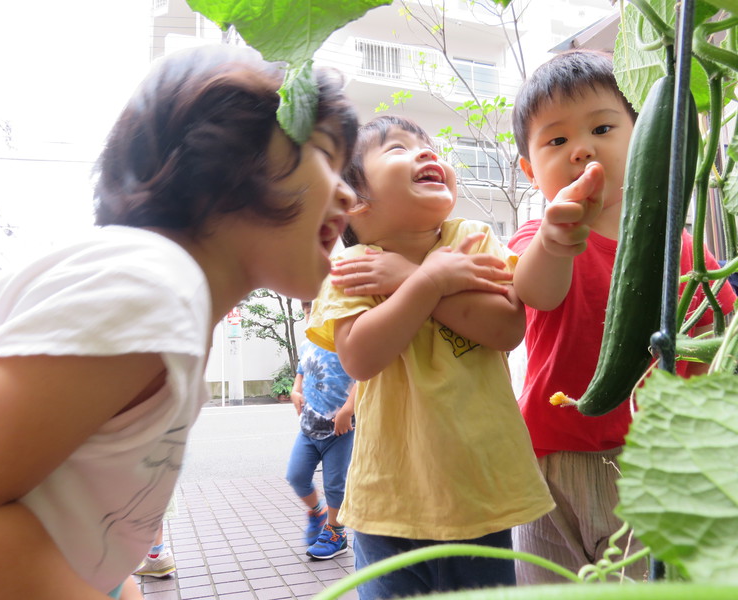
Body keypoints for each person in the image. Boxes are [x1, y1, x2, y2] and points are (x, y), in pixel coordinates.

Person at [0, 44, 358, 600]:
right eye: (327, 156)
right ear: (227, 152)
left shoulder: (170, 304)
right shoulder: (154, 286)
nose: (350, 192)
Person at [508, 49, 736, 584]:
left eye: (604, 127)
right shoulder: (537, 239)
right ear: (528, 168)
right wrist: (556, 240)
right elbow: (534, 292)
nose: (582, 148)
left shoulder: (681, 249)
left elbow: (711, 340)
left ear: (641, 137)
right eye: (556, 140)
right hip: (548, 459)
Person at [306, 114, 554, 599]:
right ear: (353, 201)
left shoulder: (473, 238)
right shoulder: (353, 266)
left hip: (480, 494)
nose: (428, 153)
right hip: (389, 501)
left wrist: (410, 278)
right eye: (398, 148)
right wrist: (430, 280)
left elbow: (506, 328)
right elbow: (359, 358)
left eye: (431, 146)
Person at [286, 300, 356, 560]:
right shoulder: (307, 344)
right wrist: (295, 392)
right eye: (308, 312)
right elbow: (300, 378)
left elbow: (364, 378)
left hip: (340, 430)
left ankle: (337, 533)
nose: (313, 317)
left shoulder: (346, 342)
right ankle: (318, 512)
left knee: (335, 484)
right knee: (296, 475)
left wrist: (348, 409)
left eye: (318, 311)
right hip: (308, 428)